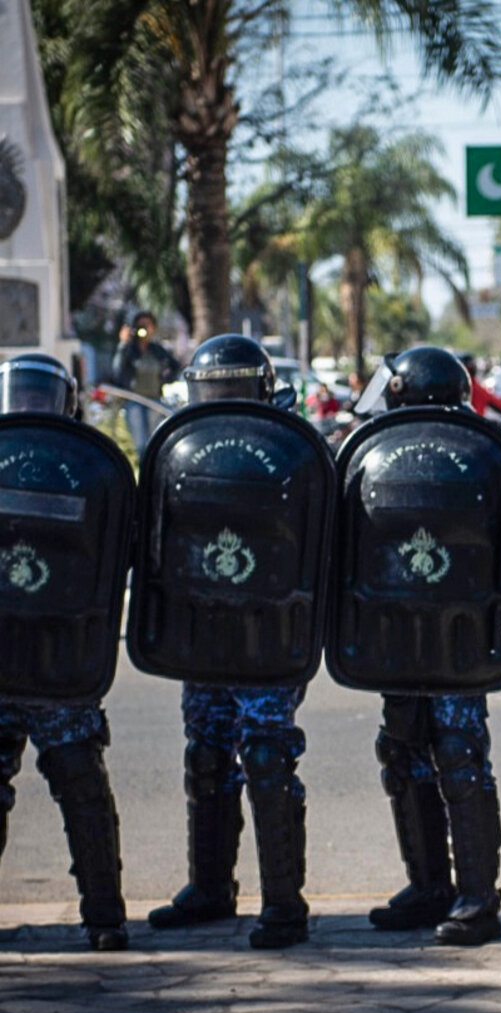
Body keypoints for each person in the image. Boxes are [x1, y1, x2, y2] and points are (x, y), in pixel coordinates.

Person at [146, 335, 313, 949]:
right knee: (206, 752)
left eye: (230, 391)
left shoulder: (294, 449)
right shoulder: (183, 449)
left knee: (266, 756)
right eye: (211, 392)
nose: (220, 403)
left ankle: (283, 905)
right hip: (206, 625)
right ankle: (210, 889)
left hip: (269, 631)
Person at [362, 347, 501, 947]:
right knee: (402, 748)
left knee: (457, 754)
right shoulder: (387, 452)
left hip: (453, 633)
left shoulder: (473, 454)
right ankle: (429, 887)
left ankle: (477, 897)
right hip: (405, 628)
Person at [0, 354, 130, 951]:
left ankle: (104, 914)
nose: (28, 404)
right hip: (50, 657)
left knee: (81, 782)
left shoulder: (85, 465)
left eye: (36, 395)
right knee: (79, 780)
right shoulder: (87, 465)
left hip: (56, 656)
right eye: (20, 394)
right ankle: (104, 916)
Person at [111, 311, 179, 456]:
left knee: (155, 442)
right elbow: (117, 370)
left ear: (153, 328)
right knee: (141, 445)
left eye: (147, 326)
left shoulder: (157, 350)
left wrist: (166, 379)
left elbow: (176, 366)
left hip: (154, 400)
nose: (143, 330)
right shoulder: (129, 350)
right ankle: (144, 473)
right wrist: (123, 344)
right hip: (134, 401)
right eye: (140, 326)